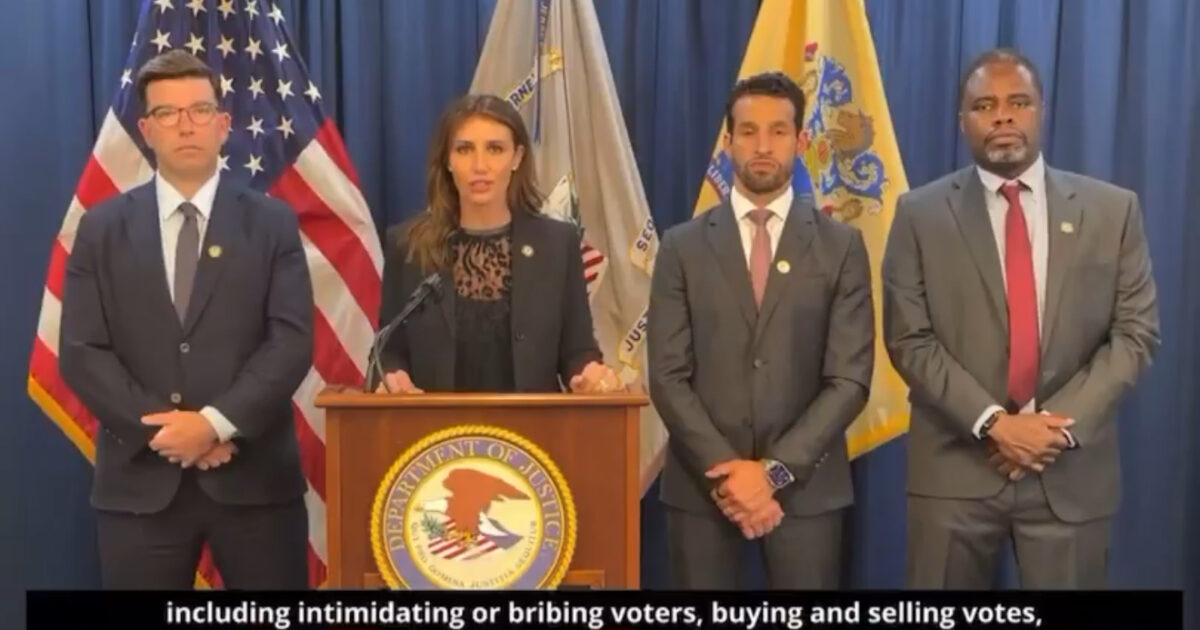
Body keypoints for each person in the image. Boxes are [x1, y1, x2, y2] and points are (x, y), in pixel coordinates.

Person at [882, 48, 1160, 589]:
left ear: (1041, 110)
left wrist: (1051, 431)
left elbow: (1135, 334)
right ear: (962, 121)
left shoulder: (1112, 210)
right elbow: (909, 339)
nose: (1003, 116)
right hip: (955, 474)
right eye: (985, 105)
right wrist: (995, 424)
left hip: (1070, 476)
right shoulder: (919, 215)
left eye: (1018, 102)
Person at [58, 50, 312, 589]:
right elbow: (82, 352)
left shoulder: (272, 223)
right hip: (140, 489)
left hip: (255, 484)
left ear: (223, 125)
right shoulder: (101, 229)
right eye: (168, 114)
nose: (185, 125)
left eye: (198, 110)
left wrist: (214, 425)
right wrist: (172, 434)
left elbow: (290, 342)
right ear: (147, 131)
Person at [647, 72, 875, 589]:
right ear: (728, 144)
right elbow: (667, 374)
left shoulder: (841, 246)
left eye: (777, 131)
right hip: (704, 488)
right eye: (748, 132)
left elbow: (850, 379)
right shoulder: (681, 246)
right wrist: (730, 473)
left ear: (800, 142)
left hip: (807, 491)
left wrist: (770, 475)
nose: (762, 145)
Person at [375, 94, 619, 394]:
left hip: (531, 435)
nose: (480, 165)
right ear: (447, 161)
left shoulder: (557, 244)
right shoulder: (408, 246)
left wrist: (587, 374)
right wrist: (390, 375)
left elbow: (577, 350)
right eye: (464, 149)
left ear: (517, 158)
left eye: (495, 149)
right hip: (439, 436)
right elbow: (389, 349)